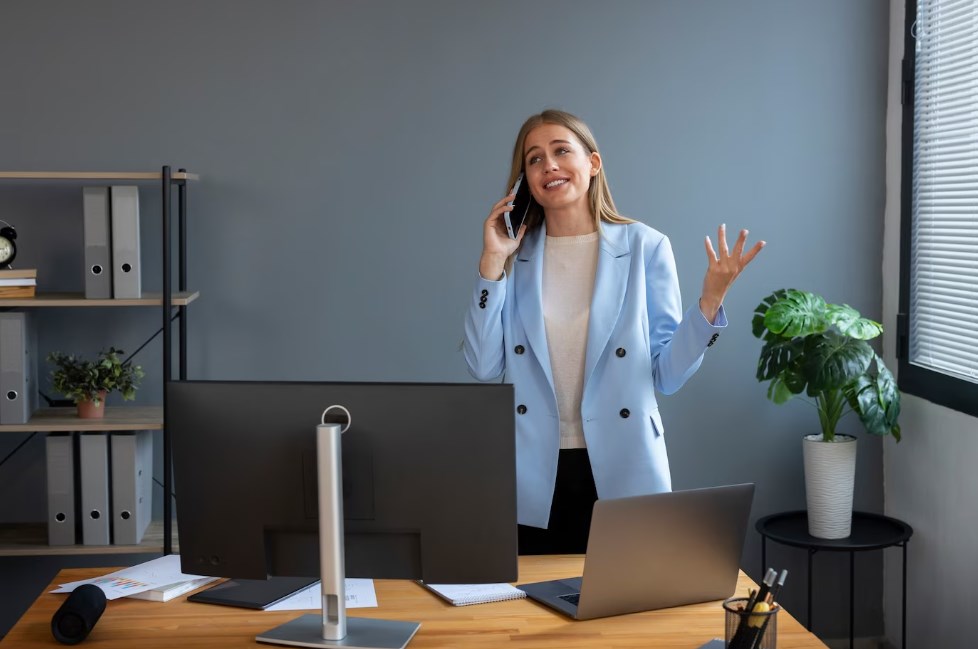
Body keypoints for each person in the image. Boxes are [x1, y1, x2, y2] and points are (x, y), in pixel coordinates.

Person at [463, 109, 765, 555]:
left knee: (623, 617)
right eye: (534, 159)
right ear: (524, 180)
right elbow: (483, 365)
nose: (549, 166)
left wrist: (709, 303)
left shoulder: (645, 246)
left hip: (623, 464)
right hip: (534, 471)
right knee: (533, 614)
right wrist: (492, 263)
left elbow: (667, 375)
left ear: (593, 163)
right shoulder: (515, 256)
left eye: (561, 151)